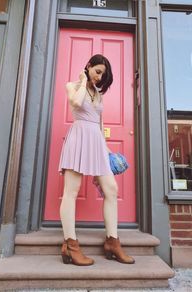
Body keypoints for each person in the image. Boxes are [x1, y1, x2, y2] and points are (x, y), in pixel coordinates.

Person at [58, 54, 135, 266]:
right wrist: (83, 80)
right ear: (89, 66)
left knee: (111, 189)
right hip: (78, 139)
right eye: (97, 71)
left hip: (96, 143)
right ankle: (70, 246)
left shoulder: (98, 94)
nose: (100, 77)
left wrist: (106, 149)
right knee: (71, 192)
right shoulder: (72, 85)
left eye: (103, 74)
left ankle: (113, 242)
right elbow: (75, 101)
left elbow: (100, 124)